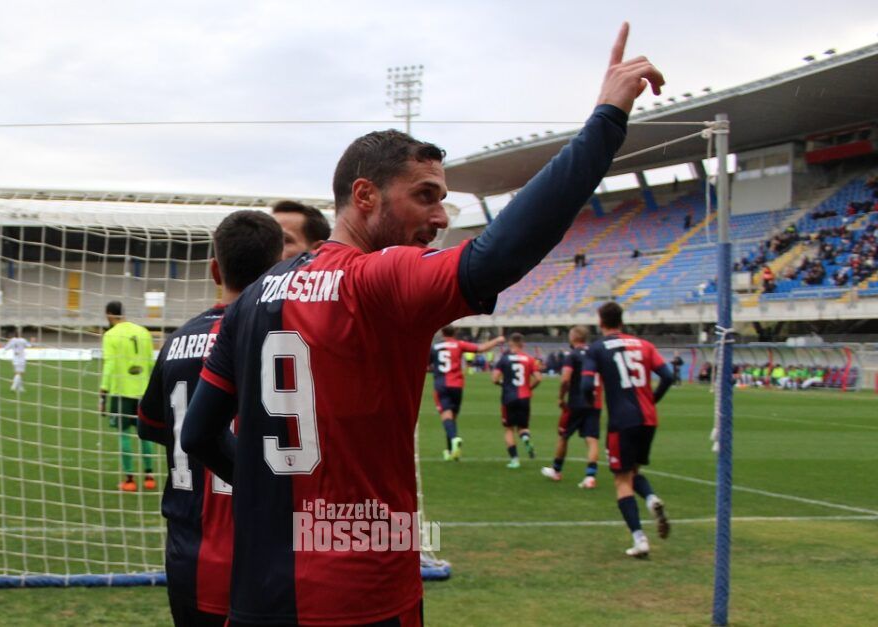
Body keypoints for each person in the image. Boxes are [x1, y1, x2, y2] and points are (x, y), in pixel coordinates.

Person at [183, 22, 662, 624]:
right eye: (425, 196)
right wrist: (607, 120)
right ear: (365, 196)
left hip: (257, 595)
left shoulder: (252, 299)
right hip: (361, 594)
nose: (440, 217)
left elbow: (198, 435)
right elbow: (499, 255)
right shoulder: (375, 279)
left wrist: (272, 505)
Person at [138, 211, 283, 627]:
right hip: (270, 556)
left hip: (190, 555)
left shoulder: (176, 341)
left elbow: (152, 426)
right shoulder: (287, 336)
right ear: (279, 268)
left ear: (215, 270)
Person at [582, 302, 673, 558]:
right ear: (622, 320)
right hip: (648, 419)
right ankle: (651, 499)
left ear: (601, 322)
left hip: (621, 420)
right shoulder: (645, 345)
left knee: (622, 480)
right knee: (632, 472)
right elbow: (667, 376)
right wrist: (652, 400)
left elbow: (586, 384)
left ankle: (639, 539)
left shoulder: (597, 348)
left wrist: (589, 403)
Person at [100, 301, 156, 492]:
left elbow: (109, 365)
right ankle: (149, 477)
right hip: (143, 392)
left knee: (124, 434)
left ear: (109, 314)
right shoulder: (143, 332)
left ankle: (130, 480)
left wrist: (103, 392)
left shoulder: (110, 335)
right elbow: (150, 363)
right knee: (145, 435)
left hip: (121, 393)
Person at [542, 326, 602, 488]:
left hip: (576, 402)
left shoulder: (573, 355)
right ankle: (590, 477)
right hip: (595, 401)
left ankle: (556, 470)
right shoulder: (596, 354)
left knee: (564, 435)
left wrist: (561, 398)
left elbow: (565, 379)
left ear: (574, 337)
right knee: (592, 439)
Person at [431, 327, 504, 460]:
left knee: (446, 416)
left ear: (442, 333)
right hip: (457, 385)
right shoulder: (459, 344)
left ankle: (454, 439)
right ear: (455, 333)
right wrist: (497, 340)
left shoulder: (435, 347)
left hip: (441, 385)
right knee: (453, 418)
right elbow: (481, 348)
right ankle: (451, 452)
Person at [491, 333, 540, 468]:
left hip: (509, 397)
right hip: (525, 397)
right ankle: (525, 438)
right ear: (522, 344)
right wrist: (529, 388)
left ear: (510, 343)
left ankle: (514, 460)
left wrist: (502, 384)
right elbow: (538, 378)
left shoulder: (504, 359)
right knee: (523, 427)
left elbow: (494, 378)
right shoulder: (529, 359)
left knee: (508, 429)